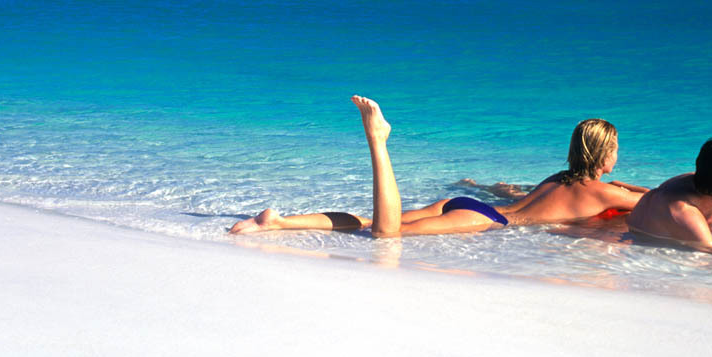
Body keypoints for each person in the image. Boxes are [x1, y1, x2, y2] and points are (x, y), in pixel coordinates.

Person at [229, 95, 648, 237]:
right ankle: (379, 141)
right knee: (385, 233)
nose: (618, 155)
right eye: (615, 148)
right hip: (485, 222)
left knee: (364, 223)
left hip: (464, 203)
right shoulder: (604, 192)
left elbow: (523, 197)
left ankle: (279, 223)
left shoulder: (559, 178)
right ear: (603, 153)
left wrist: (487, 185)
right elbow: (653, 199)